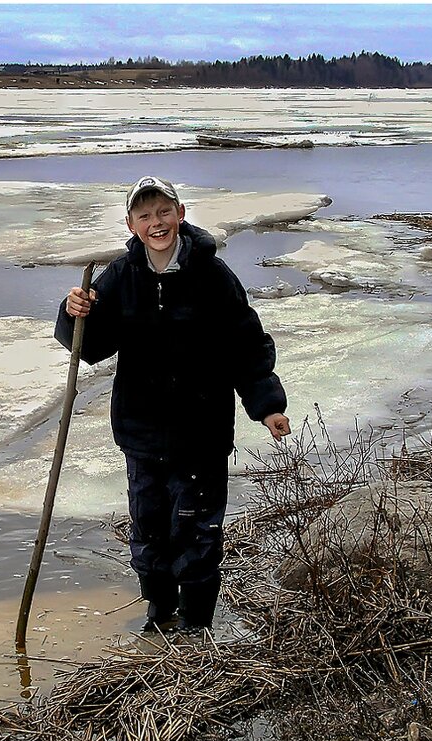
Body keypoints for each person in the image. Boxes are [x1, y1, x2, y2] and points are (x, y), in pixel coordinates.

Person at [55, 176, 291, 633]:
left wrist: (267, 405)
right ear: (131, 224)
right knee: (149, 530)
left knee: (197, 532)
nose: (155, 222)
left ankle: (196, 623)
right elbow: (90, 346)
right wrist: (74, 313)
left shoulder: (212, 275)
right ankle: (159, 614)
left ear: (180, 214)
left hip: (200, 433)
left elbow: (245, 345)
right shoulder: (121, 275)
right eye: (144, 215)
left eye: (163, 211)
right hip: (140, 433)